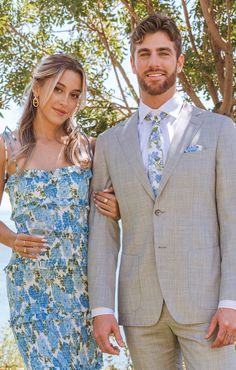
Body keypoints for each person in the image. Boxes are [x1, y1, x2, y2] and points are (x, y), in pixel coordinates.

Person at [88, 13, 236, 369]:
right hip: (140, 309)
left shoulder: (218, 131)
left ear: (178, 61)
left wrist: (231, 300)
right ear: (133, 61)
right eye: (144, 53)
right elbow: (103, 231)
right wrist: (102, 307)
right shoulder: (109, 143)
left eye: (163, 53)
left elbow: (233, 219)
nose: (153, 62)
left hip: (207, 306)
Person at [0, 54, 120, 369]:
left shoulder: (88, 148)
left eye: (74, 94)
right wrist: (12, 239)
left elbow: (118, 203)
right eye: (58, 89)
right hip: (33, 293)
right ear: (37, 90)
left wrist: (119, 207)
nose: (65, 101)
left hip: (82, 294)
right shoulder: (9, 145)